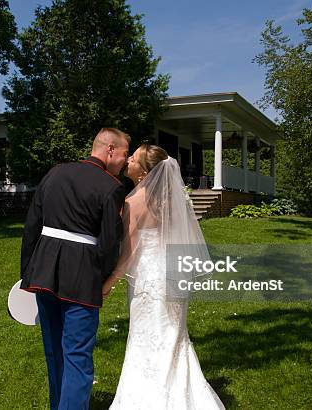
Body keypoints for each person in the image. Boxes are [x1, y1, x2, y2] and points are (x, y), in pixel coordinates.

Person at [103, 144, 226, 409]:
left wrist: (109, 282)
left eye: (133, 159)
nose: (128, 162)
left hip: (147, 279)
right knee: (173, 337)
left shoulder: (133, 202)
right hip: (171, 273)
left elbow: (129, 252)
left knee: (145, 337)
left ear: (144, 173)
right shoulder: (173, 201)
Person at [20, 128, 129, 410]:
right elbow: (108, 244)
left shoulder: (55, 173)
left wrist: (28, 273)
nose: (125, 162)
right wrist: (103, 280)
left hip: (43, 273)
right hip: (82, 279)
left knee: (55, 353)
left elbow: (32, 225)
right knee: (78, 356)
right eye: (124, 154)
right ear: (110, 151)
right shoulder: (111, 186)